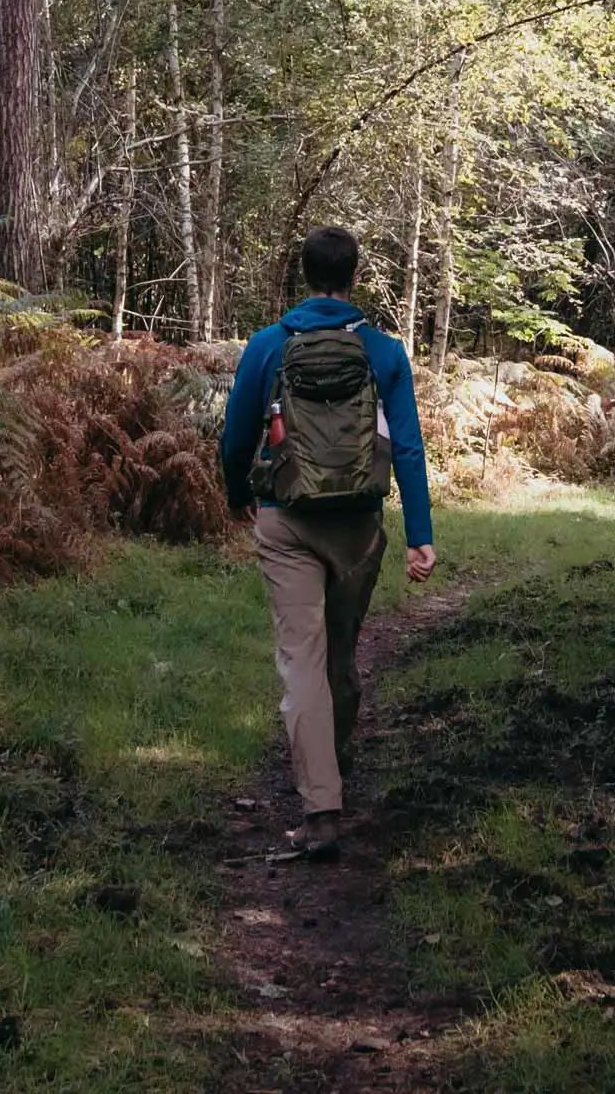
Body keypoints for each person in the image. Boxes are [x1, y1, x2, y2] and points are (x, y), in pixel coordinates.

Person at [220, 224, 436, 859]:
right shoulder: (384, 352)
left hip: (285, 521)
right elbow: (408, 446)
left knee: (301, 661)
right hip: (360, 528)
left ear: (303, 273)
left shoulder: (267, 346)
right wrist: (419, 535)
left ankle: (321, 810)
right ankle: (333, 773)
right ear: (354, 275)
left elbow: (236, 438)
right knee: (339, 657)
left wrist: (240, 498)